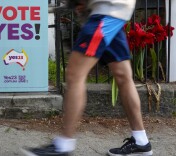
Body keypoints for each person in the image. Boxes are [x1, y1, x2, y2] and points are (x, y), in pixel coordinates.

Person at [21, 0, 153, 155]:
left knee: (74, 74)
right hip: (117, 12)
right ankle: (140, 140)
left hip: (107, 12)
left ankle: (63, 145)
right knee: (123, 76)